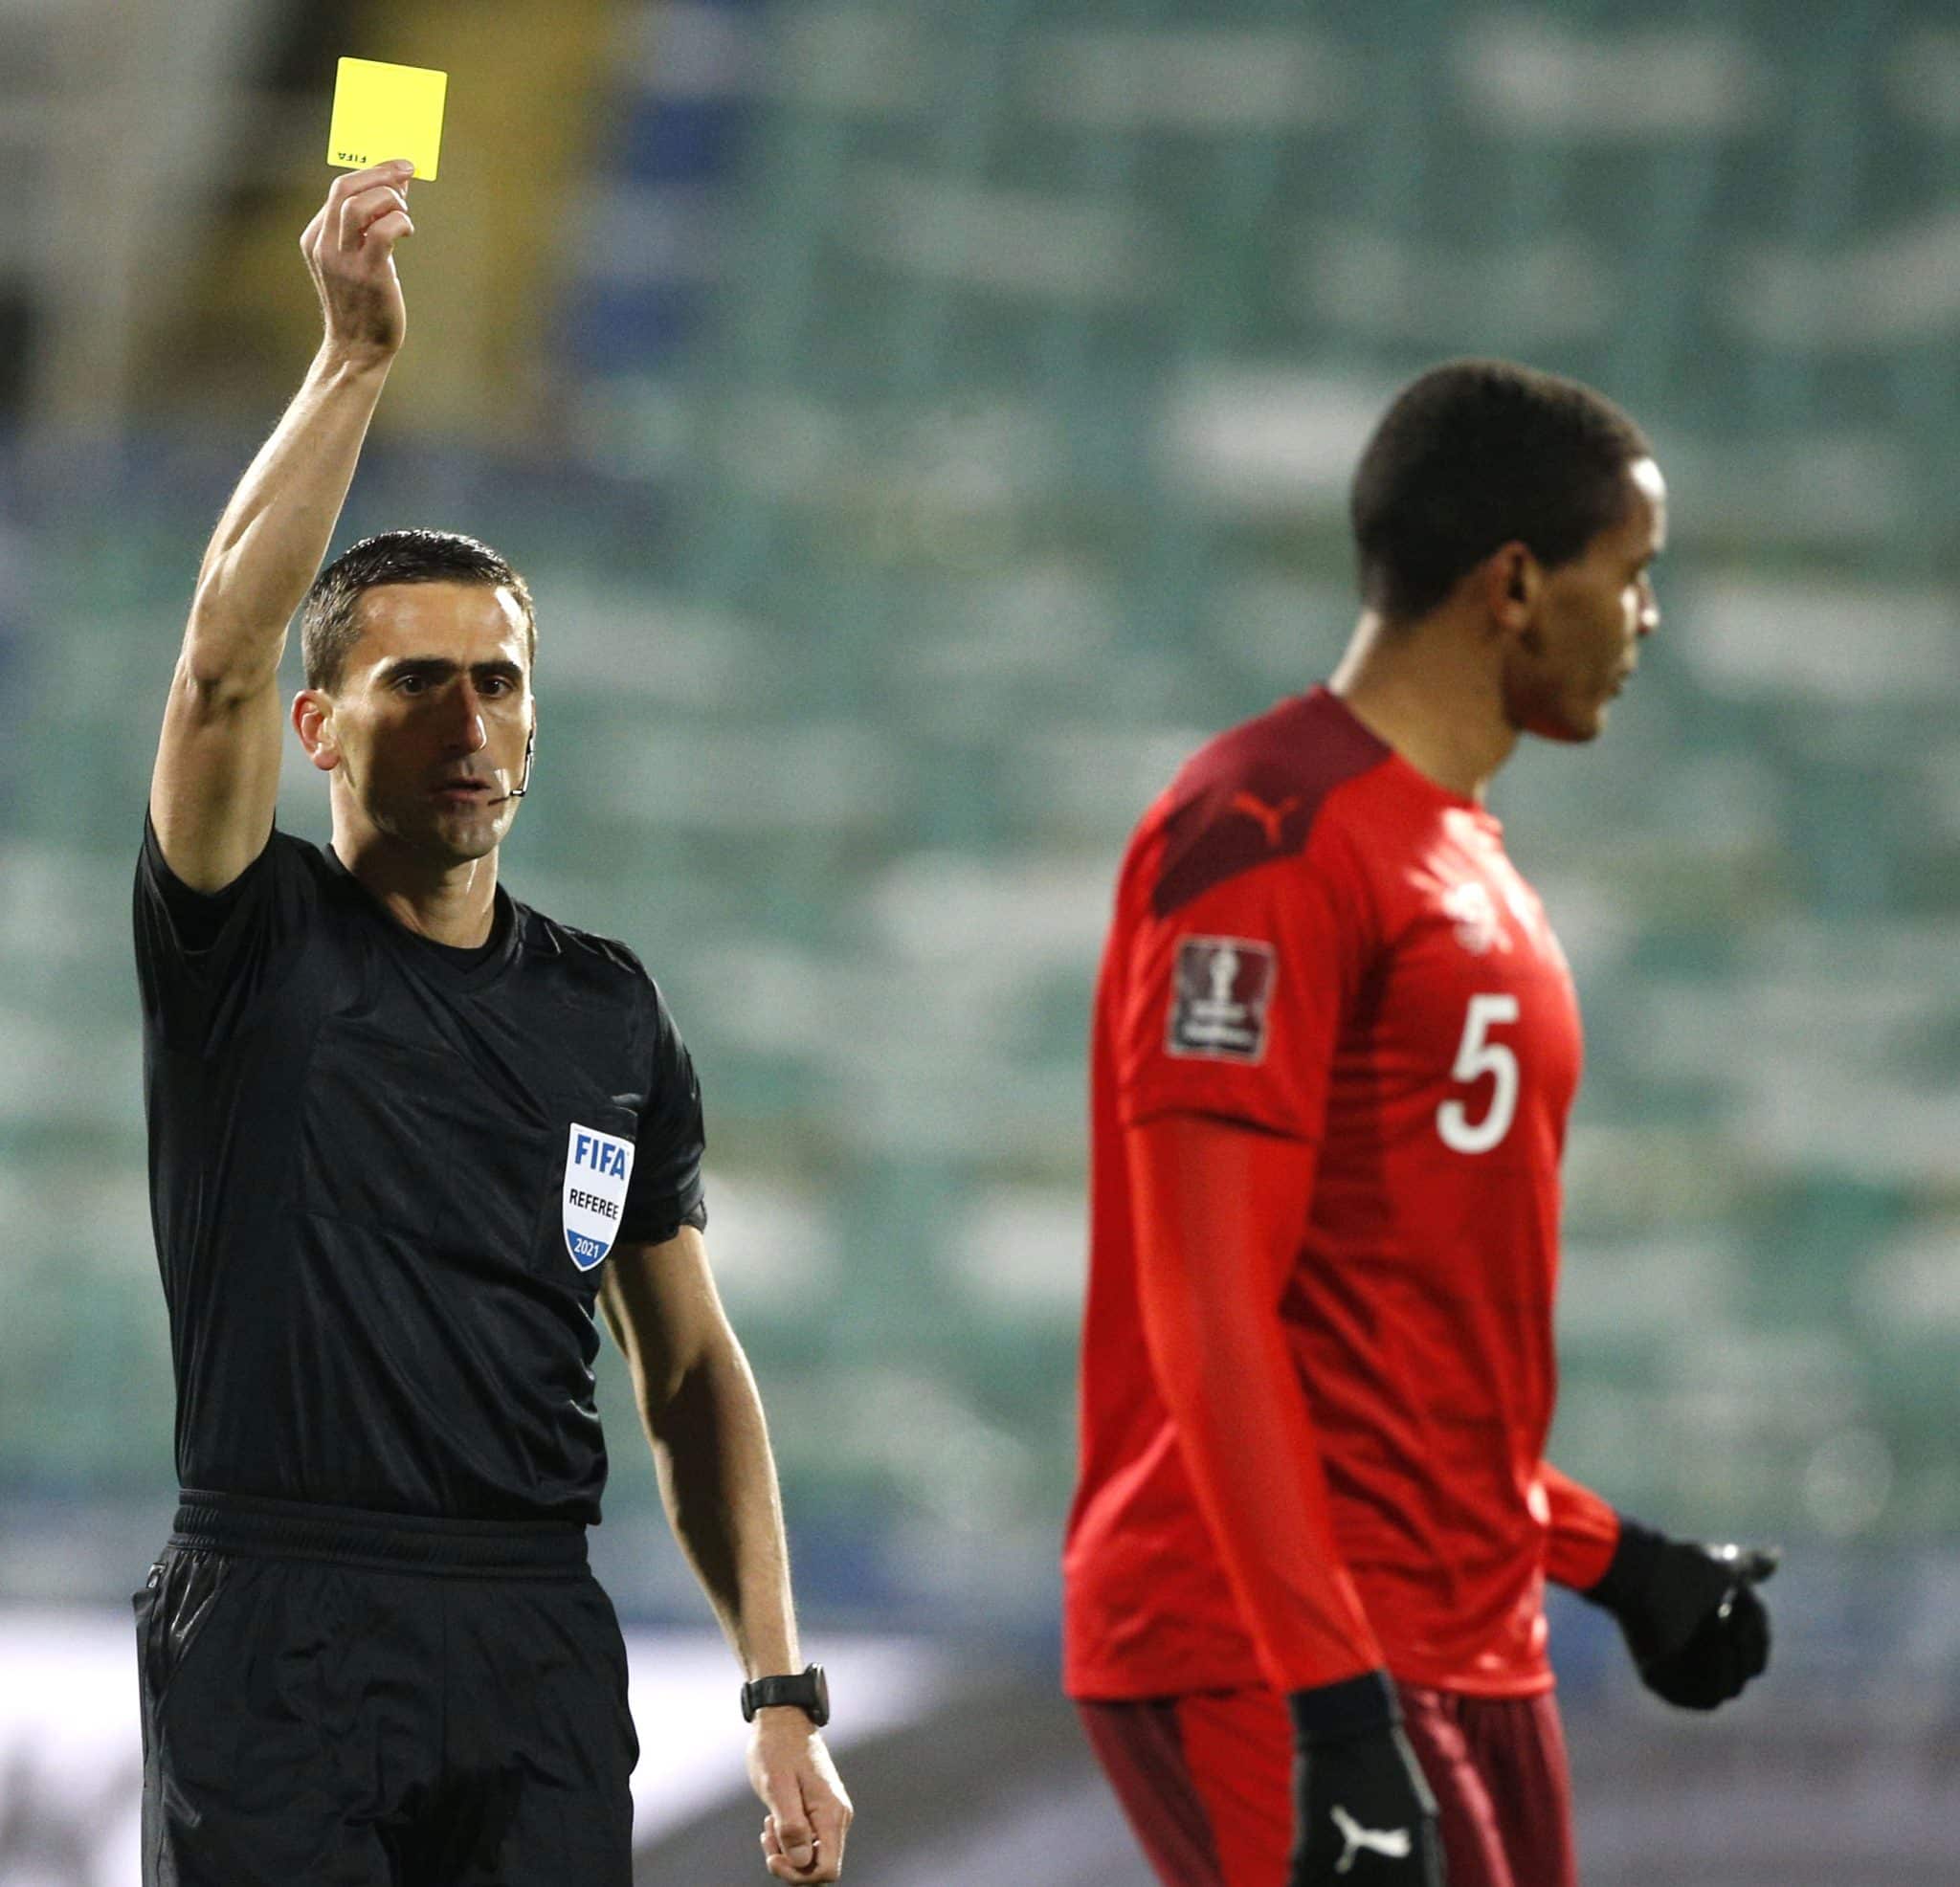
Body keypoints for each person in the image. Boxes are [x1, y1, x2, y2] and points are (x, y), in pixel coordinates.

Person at [130, 161, 851, 1886]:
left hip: (532, 1632)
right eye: (417, 680)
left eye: (502, 679)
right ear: (319, 726)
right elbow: (217, 655)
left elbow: (685, 1368)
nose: (468, 718)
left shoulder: (606, 1012)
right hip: (277, 1623)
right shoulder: (246, 939)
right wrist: (356, 363)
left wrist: (777, 1688)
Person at [1061, 360, 1775, 1887]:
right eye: (1631, 577)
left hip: (1466, 1639)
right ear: (1516, 585)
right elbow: (1210, 1308)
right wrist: (1331, 1700)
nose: (1647, 621)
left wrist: (1609, 1559)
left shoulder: (1469, 862)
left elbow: (1387, 1353)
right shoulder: (1261, 833)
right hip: (1274, 1642)